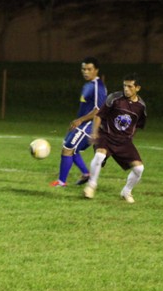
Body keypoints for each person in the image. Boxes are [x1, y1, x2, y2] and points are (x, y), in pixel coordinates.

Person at [83, 73, 146, 204]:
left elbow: (138, 125)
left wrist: (128, 139)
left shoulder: (141, 107)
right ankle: (91, 185)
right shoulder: (114, 98)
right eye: (124, 86)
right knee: (100, 156)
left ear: (137, 88)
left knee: (139, 168)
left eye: (130, 86)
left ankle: (126, 191)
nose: (126, 89)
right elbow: (99, 115)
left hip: (124, 142)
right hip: (106, 135)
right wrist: (95, 132)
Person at [50, 57, 107, 187]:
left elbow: (98, 110)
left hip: (89, 124)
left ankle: (61, 182)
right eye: (83, 69)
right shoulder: (88, 85)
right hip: (81, 123)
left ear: (96, 70)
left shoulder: (98, 87)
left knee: (68, 149)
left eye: (89, 69)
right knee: (69, 147)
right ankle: (86, 174)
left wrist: (85, 123)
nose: (86, 72)